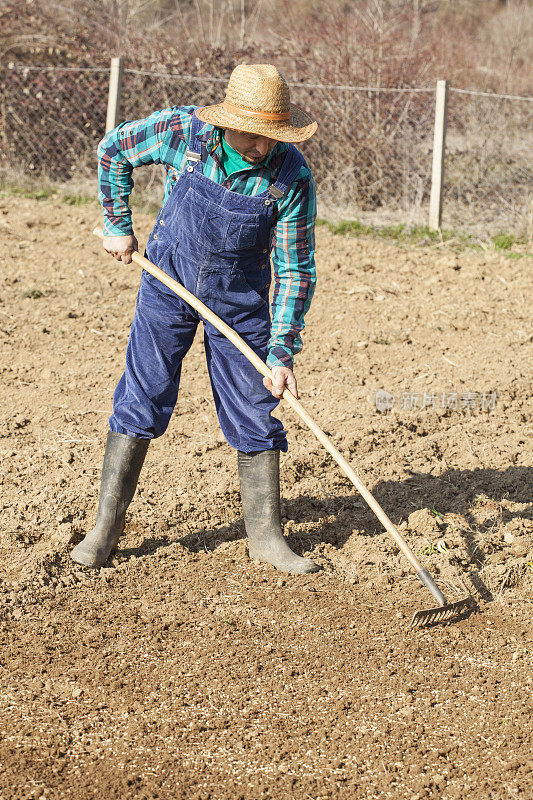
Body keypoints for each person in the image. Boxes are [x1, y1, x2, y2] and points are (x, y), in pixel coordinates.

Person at [71, 64, 320, 574]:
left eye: (272, 136)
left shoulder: (290, 176)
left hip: (240, 300)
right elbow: (113, 150)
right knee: (143, 394)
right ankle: (105, 530)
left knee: (255, 406)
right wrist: (117, 225)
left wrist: (281, 350)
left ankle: (267, 538)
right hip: (167, 282)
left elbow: (295, 269)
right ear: (228, 121)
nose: (262, 147)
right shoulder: (184, 133)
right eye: (253, 134)